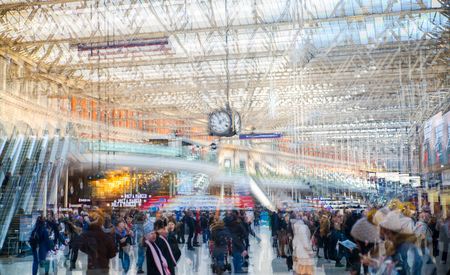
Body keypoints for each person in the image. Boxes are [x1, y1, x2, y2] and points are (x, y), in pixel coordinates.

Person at [379, 210, 423, 275]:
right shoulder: (397, 247)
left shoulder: (405, 248)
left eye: (387, 233)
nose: (387, 237)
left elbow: (409, 270)